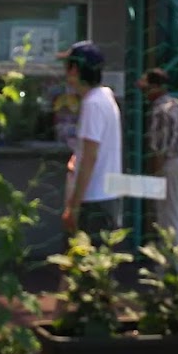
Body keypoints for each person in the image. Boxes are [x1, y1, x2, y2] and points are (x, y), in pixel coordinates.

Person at [61, 42, 122, 243]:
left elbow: (90, 156)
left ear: (75, 70)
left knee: (88, 265)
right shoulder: (105, 96)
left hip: (93, 199)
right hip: (107, 197)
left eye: (67, 67)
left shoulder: (92, 103)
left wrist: (74, 206)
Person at [137, 67, 178, 245]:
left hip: (170, 164)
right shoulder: (176, 105)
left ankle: (170, 266)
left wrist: (154, 176)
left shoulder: (159, 109)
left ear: (155, 87)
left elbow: (158, 148)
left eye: (146, 89)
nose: (145, 93)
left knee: (167, 219)